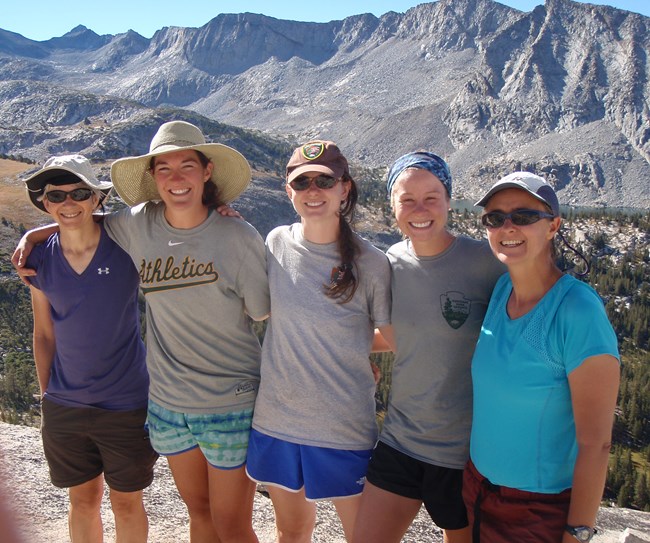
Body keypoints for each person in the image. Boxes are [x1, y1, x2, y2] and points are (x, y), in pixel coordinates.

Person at [14, 121, 270, 543]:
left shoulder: (233, 235)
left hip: (227, 402)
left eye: (186, 165)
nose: (175, 178)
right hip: (168, 405)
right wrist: (36, 232)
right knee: (199, 514)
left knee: (230, 523)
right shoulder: (136, 225)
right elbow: (78, 221)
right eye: (163, 168)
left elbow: (265, 313)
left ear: (207, 171)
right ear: (152, 177)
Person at [352, 152, 505, 543]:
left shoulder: (486, 263)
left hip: (464, 457)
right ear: (392, 207)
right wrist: (352, 354)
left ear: (450, 200)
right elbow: (395, 335)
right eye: (407, 199)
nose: (420, 209)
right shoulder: (389, 264)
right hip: (400, 441)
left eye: (432, 197)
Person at [245, 140, 392, 543]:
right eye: (303, 182)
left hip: (342, 425)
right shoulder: (276, 243)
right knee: (290, 531)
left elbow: (395, 336)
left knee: (364, 535)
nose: (313, 191)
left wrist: (355, 347)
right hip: (278, 418)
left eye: (324, 181)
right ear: (288, 191)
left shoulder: (372, 264)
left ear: (345, 188)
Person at [463, 172, 620, 543]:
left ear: (553, 226)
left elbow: (596, 444)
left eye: (524, 216)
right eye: (495, 217)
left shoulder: (578, 311)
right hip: (476, 491)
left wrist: (576, 532)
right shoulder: (502, 289)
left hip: (536, 512)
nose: (507, 226)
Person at [22, 154, 157, 543]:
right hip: (66, 406)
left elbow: (174, 217)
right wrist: (49, 395)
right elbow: (44, 334)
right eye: (56, 195)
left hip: (127, 405)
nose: (68, 203)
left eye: (80, 193)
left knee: (127, 504)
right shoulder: (38, 258)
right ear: (44, 202)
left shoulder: (125, 245)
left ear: (97, 199)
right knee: (82, 501)